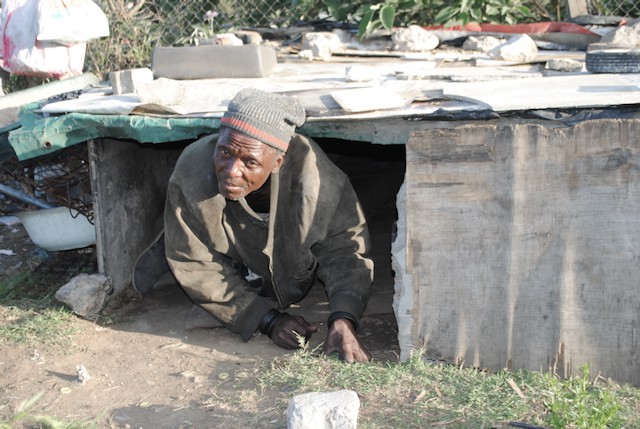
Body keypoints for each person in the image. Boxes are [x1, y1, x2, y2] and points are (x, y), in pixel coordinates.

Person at [161, 88, 373, 363]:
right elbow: (192, 261)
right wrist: (265, 318)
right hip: (233, 264)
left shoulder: (318, 184)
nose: (231, 170)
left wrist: (345, 317)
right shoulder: (191, 174)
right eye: (224, 151)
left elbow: (346, 249)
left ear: (278, 162)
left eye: (250, 161)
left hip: (295, 272)